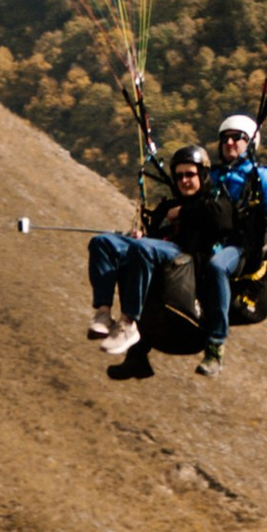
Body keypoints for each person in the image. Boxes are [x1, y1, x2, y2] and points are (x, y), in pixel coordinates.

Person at [88, 147, 216, 377]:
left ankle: (128, 323)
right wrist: (141, 238)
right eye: (179, 176)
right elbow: (152, 237)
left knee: (142, 249)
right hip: (155, 251)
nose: (184, 181)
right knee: (103, 243)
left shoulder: (212, 206)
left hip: (183, 259)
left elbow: (223, 222)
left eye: (190, 175)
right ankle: (104, 313)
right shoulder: (167, 208)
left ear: (202, 175)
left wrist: (184, 213)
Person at [195, 112, 267, 378]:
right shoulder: (212, 176)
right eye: (225, 138)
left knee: (216, 268)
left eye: (237, 138)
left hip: (242, 248)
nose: (229, 142)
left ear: (250, 143)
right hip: (212, 241)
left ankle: (215, 347)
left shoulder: (263, 177)